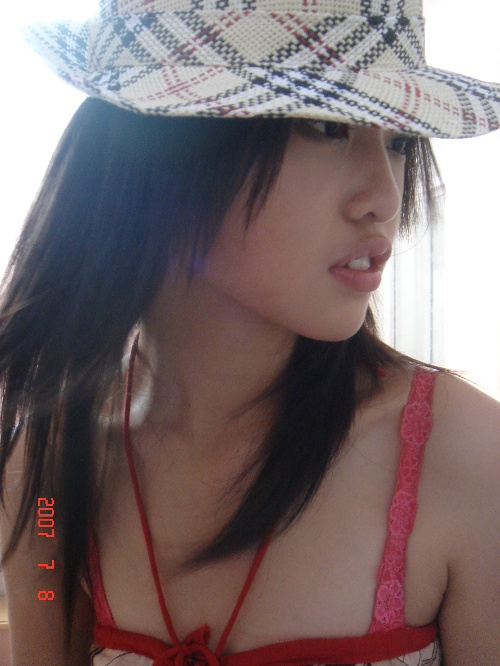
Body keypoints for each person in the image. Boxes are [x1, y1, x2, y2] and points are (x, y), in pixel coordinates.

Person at [1, 0, 499, 664]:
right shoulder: (50, 465)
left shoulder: (467, 460)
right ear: (168, 151)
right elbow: (40, 613)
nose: (384, 198)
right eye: (326, 126)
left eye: (400, 142)